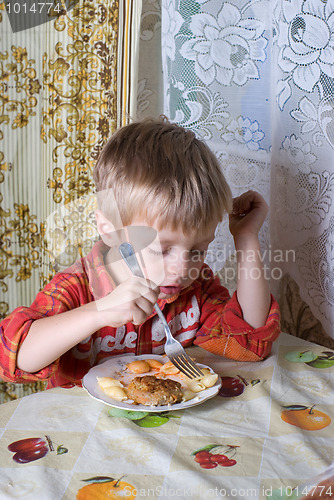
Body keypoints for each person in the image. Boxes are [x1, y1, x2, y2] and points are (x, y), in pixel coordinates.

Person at [0, 117, 280, 388]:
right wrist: (99, 312)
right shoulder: (77, 288)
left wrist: (245, 238)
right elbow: (14, 356)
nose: (182, 268)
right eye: (162, 249)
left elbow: (249, 342)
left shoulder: (196, 289)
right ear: (109, 230)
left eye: (197, 250)